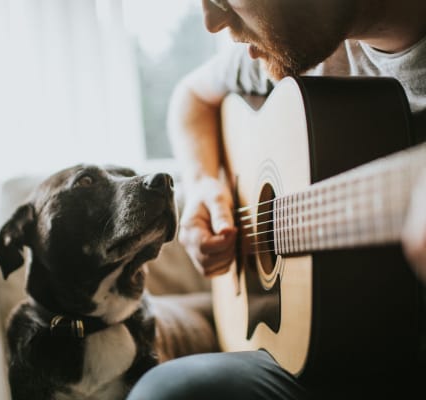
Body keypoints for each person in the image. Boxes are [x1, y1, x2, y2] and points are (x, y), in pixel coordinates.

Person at [126, 0, 426, 399]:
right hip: (336, 352)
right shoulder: (299, 47)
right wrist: (202, 183)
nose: (213, 21)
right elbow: (191, 98)